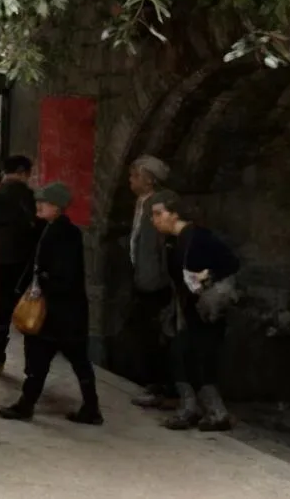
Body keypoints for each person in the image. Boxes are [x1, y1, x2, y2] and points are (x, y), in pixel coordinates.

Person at [0, 182, 103, 425]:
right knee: (68, 360)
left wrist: (41, 283)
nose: (39, 205)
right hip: (63, 311)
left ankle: (29, 405)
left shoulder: (65, 233)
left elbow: (62, 272)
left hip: (60, 310)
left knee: (52, 359)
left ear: (57, 206)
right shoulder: (52, 229)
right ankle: (88, 407)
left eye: (44, 202)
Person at [149, 191, 238, 432]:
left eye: (158, 213)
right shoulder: (173, 242)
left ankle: (212, 413)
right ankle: (196, 410)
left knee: (197, 358)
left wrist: (208, 274)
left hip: (207, 309)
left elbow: (231, 262)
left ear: (175, 214)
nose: (154, 219)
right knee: (183, 355)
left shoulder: (199, 237)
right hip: (188, 309)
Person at [126, 155, 175, 408]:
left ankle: (161, 387)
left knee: (156, 336)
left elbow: (162, 245)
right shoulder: (142, 203)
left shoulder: (160, 203)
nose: (130, 180)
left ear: (149, 180)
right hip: (143, 278)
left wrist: (160, 277)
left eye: (135, 176)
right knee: (143, 334)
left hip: (156, 282)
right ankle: (153, 384)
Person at [0, 154, 35, 374]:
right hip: (25, 262)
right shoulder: (30, 197)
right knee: (27, 309)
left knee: (0, 310)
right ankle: (31, 366)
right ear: (22, 172)